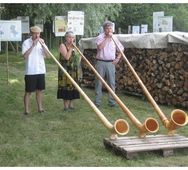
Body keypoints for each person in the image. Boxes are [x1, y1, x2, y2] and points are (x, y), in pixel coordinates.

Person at [94, 21, 124, 107]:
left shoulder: (114, 38)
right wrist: (107, 38)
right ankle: (97, 102)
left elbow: (121, 49)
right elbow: (100, 47)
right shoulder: (100, 37)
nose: (109, 30)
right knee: (98, 82)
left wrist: (118, 58)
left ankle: (112, 101)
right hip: (100, 62)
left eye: (110, 28)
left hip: (111, 63)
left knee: (111, 83)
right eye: (107, 28)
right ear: (104, 29)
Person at [22, 25, 49, 115]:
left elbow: (48, 56)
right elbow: (25, 56)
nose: (37, 35)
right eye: (35, 33)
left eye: (39, 33)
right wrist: (33, 45)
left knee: (40, 90)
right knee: (28, 91)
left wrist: (43, 46)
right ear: (31, 33)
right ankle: (26, 110)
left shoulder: (42, 43)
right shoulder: (26, 42)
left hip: (40, 70)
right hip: (30, 71)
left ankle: (40, 108)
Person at [57, 31, 82, 111]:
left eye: (73, 37)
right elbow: (67, 57)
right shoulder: (62, 45)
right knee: (66, 87)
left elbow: (78, 57)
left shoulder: (75, 46)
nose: (71, 39)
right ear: (66, 38)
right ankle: (66, 106)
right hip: (65, 70)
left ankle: (71, 104)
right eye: (69, 37)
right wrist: (71, 48)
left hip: (73, 70)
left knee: (73, 86)